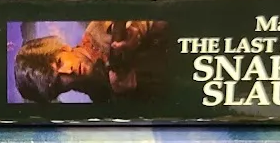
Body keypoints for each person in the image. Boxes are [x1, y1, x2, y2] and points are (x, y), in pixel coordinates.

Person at [13, 20, 167, 104]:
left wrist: (136, 29)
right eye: (58, 80)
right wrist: (124, 95)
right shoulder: (96, 92)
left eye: (60, 62)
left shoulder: (99, 29)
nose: (69, 70)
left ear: (64, 48)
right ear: (61, 91)